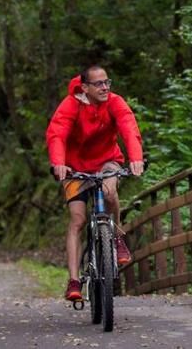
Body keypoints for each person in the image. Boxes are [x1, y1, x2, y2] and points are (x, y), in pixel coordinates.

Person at [46, 65, 144, 302]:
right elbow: (57, 133)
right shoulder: (71, 105)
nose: (104, 87)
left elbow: (129, 129)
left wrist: (136, 159)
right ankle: (73, 280)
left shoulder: (115, 102)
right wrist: (59, 163)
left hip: (107, 161)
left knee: (110, 194)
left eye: (107, 82)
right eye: (98, 84)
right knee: (78, 219)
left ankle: (117, 238)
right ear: (85, 87)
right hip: (75, 166)